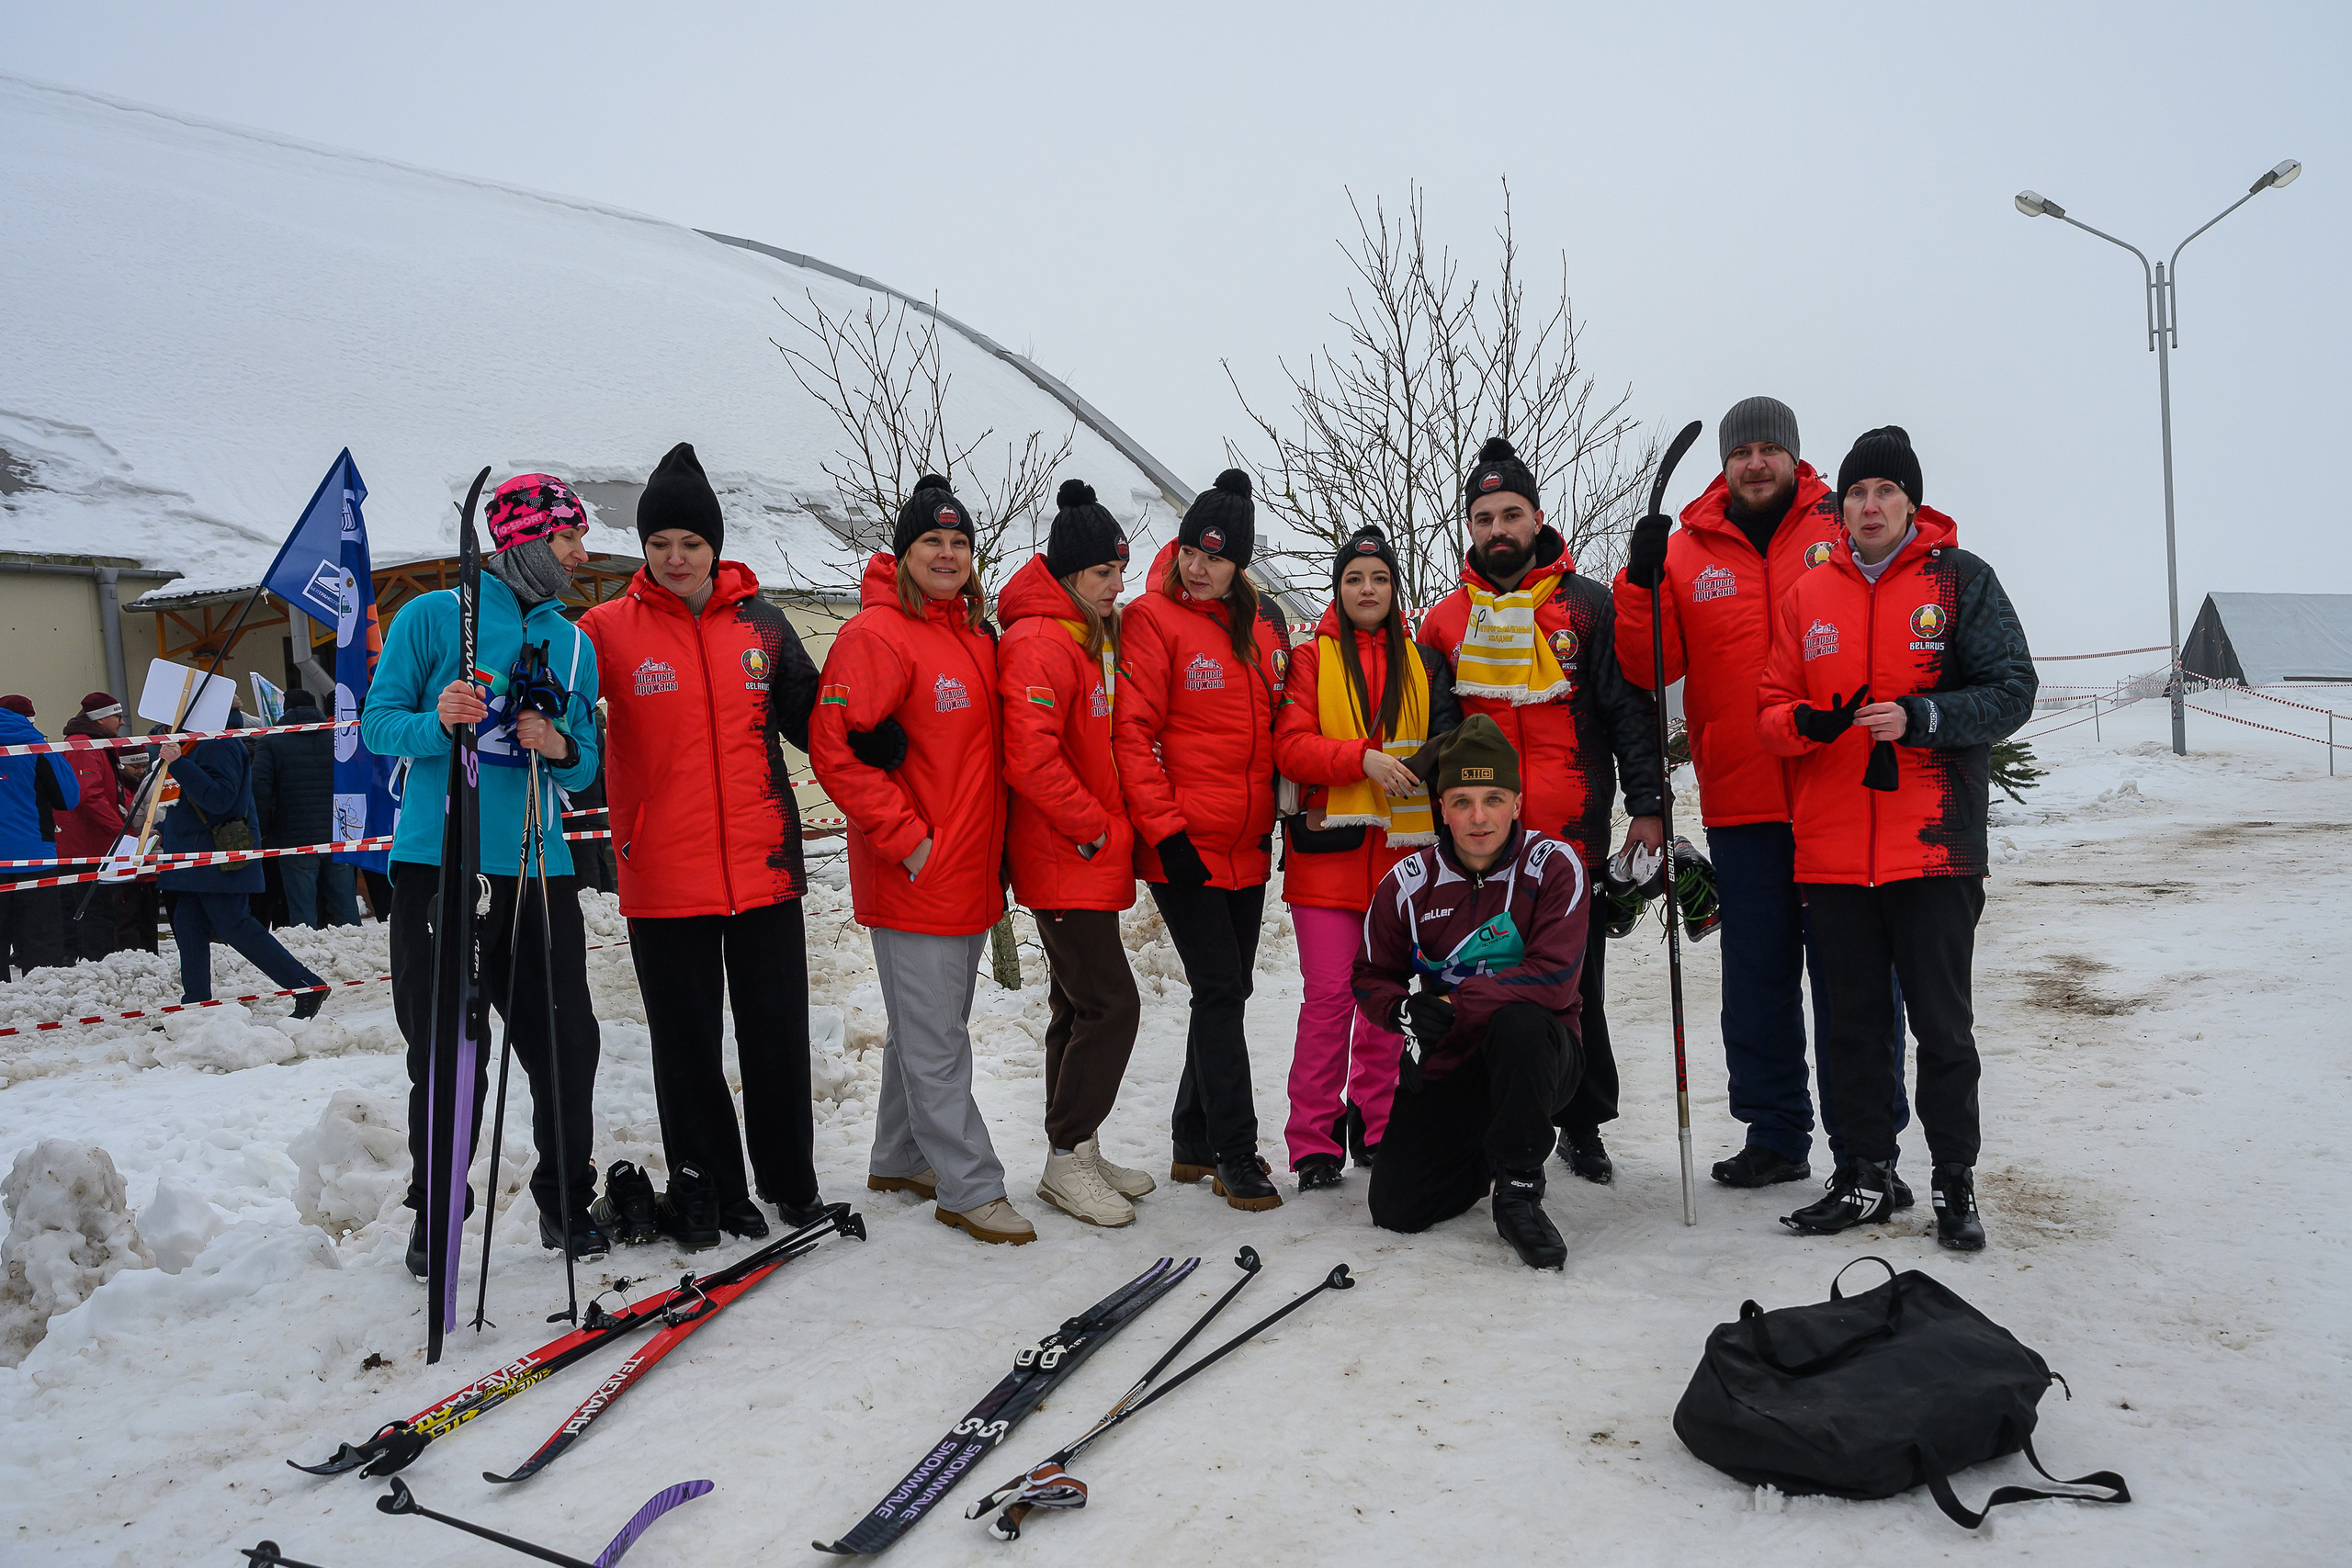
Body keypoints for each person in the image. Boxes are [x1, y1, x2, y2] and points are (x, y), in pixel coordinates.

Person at [1616, 397, 1915, 1199]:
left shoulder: (1838, 525)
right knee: (1758, 976)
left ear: (1792, 456)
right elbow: (1649, 669)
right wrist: (1638, 580)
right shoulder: (1685, 551)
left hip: (1839, 792)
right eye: (1741, 452)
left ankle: (1868, 1141)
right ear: (1725, 463)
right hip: (1743, 796)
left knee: (1854, 978)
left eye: (1768, 450)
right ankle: (1776, 1131)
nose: (1755, 463)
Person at [1758, 427, 2036, 1250]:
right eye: (1855, 493)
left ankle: (1955, 1181)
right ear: (1838, 507)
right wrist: (1801, 725)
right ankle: (1865, 1174)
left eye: (1884, 491)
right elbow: (1770, 711)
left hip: (1933, 847)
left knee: (1942, 1027)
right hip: (1835, 854)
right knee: (1851, 1023)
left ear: (1911, 502)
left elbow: (2013, 690)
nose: (1869, 506)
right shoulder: (1808, 596)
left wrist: (1925, 717)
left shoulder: (1961, 581)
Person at [578, 442, 826, 1250]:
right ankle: (711, 1190)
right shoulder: (605, 631)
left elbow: (815, 720)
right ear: (643, 550)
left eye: (690, 543)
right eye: (660, 545)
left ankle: (790, 1184)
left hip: (763, 868)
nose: (676, 558)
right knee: (686, 1047)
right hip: (663, 875)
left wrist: (888, 738)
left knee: (777, 1036)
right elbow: (571, 724)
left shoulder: (764, 623)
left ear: (716, 546)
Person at [361, 471, 607, 1272]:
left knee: (566, 1041)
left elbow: (587, 766)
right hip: (442, 864)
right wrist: (438, 721)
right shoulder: (435, 618)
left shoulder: (572, 642)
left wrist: (560, 744)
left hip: (540, 867)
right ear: (526, 540)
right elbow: (378, 726)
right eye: (567, 538)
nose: (580, 552)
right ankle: (436, 1212)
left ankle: (566, 1198)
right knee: (448, 1048)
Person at [1419, 438, 1662, 1186]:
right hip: (1482, 841)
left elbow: (1627, 710)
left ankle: (1582, 1121)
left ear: (1536, 518)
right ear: (1470, 525)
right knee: (1476, 981)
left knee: (1573, 986)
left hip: (1572, 833)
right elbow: (1433, 734)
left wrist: (1649, 805)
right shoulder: (1445, 621)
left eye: (1511, 513)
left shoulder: (1586, 605)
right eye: (1484, 516)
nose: (1499, 528)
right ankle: (1486, 1116)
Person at [808, 475, 1024, 1245]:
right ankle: (971, 1186)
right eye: (931, 540)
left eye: (959, 541)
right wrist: (910, 840)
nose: (946, 552)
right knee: (938, 1041)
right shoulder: (878, 635)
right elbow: (836, 750)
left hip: (965, 870)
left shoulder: (971, 634)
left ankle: (900, 1153)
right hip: (918, 871)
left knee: (924, 1029)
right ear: (902, 553)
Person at [1354, 716, 1591, 1269]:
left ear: (1517, 800)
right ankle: (1488, 1148)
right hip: (1451, 1060)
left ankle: (1518, 1190)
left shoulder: (1554, 865)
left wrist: (1454, 1004)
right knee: (1397, 1209)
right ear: (1441, 806)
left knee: (1520, 1023)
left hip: (1541, 1056)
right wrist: (1404, 1012)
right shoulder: (1408, 883)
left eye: (1493, 798)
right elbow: (1370, 977)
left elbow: (1554, 980)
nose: (1478, 817)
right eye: (1462, 800)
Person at [1115, 470, 1289, 1213]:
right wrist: (1165, 831)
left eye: (1214, 555)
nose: (1197, 565)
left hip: (1246, 845)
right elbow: (1132, 733)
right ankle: (1236, 1153)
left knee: (1229, 992)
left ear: (1238, 561)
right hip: (1184, 846)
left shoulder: (1260, 624)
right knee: (1220, 990)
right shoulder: (1154, 620)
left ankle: (1190, 1137)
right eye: (1191, 548)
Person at [991, 480, 1159, 1226]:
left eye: (1121, 572)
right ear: (1067, 574)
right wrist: (1093, 827)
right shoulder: (1037, 641)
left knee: (1076, 1002)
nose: (1117, 587)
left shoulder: (1081, 635)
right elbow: (1029, 759)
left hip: (1084, 854)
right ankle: (1064, 1158)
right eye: (1102, 574)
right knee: (1112, 1004)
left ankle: (1078, 1145)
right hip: (1064, 853)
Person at [1273, 525, 1460, 1190]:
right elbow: (1290, 746)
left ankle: (1376, 1125)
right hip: (1326, 855)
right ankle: (1313, 1140)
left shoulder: (1424, 662)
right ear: (1339, 588)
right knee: (1328, 999)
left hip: (1402, 861)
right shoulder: (1309, 659)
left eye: (1378, 578)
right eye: (1354, 579)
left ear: (1394, 588)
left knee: (1387, 1003)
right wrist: (1362, 759)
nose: (1367, 589)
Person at [155, 707, 329, 1013]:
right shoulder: (195, 743)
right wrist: (163, 825)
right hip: (195, 858)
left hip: (215, 858)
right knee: (188, 926)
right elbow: (181, 799)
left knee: (236, 926)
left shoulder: (218, 743)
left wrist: (178, 763)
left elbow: (220, 799)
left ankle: (307, 985)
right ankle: (196, 1007)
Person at [254, 686, 360, 930]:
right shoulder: (337, 737)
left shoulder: (271, 742)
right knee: (345, 905)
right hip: (338, 833)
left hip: (295, 838)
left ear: (286, 710)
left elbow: (260, 788)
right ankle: (358, 953)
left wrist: (261, 829)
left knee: (302, 911)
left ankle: (307, 958)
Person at [0, 694, 77, 978]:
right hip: (34, 856)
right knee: (41, 938)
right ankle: (42, 1000)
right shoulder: (37, 746)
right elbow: (68, 798)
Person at [55, 692, 130, 962]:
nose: (121, 723)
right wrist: (121, 830)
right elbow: (88, 796)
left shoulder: (95, 744)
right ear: (100, 720)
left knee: (99, 911)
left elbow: (108, 791)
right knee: (94, 913)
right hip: (85, 846)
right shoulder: (84, 746)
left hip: (93, 843)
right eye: (117, 716)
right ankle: (95, 967)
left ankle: (95, 962)